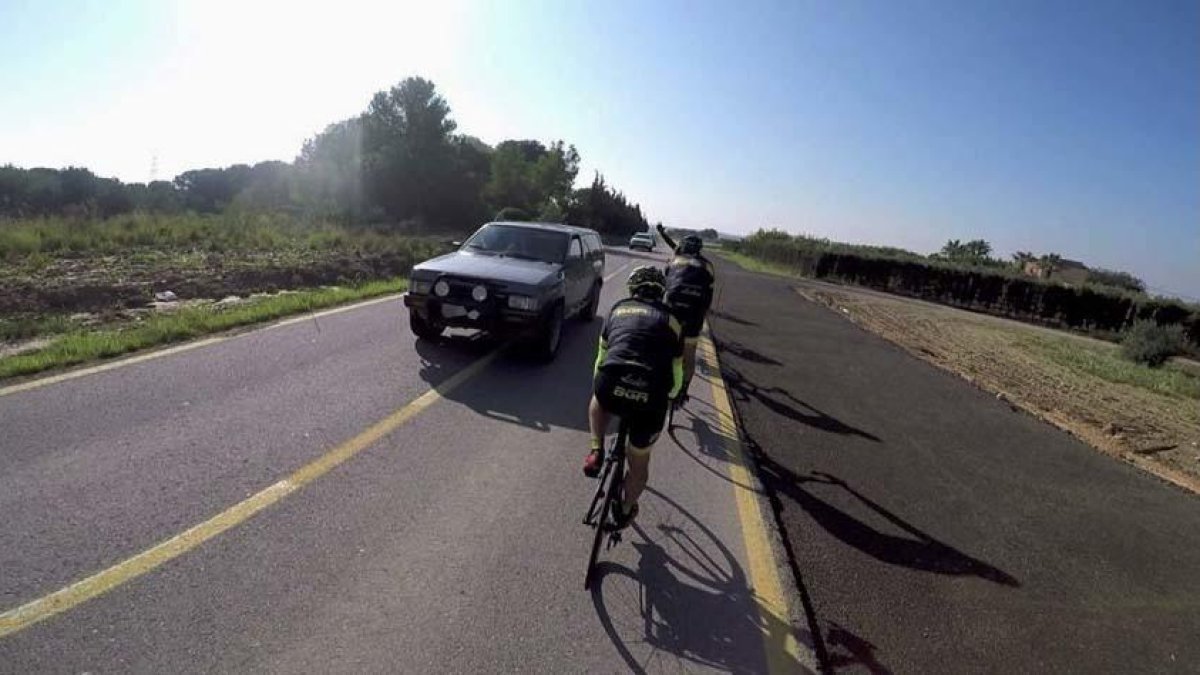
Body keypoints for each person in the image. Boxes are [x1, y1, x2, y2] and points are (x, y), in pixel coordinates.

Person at [584, 265, 684, 529]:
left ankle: (596, 449)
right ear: (661, 292)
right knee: (639, 463)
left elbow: (601, 360)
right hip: (651, 395)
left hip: (612, 382)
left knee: (598, 399)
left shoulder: (617, 309)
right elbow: (676, 375)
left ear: (633, 289)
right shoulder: (673, 321)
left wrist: (601, 387)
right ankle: (625, 509)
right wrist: (670, 396)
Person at [655, 224, 716, 405]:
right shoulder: (708, 266)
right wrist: (704, 315)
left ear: (682, 247)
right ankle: (682, 391)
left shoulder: (673, 261)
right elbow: (708, 297)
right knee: (689, 355)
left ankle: (658, 378)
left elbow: (664, 287)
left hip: (672, 312)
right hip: (693, 315)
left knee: (663, 347)